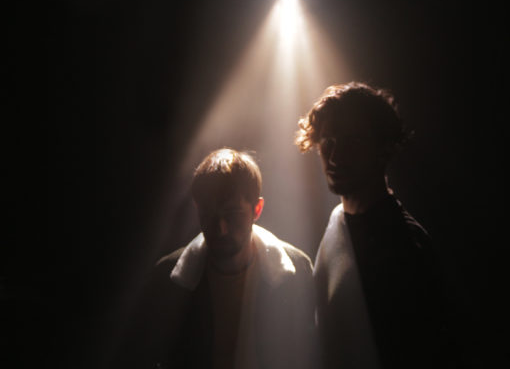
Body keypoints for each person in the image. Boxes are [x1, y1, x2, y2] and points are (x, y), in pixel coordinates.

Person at [296, 82, 459, 369]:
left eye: (352, 142)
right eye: (328, 142)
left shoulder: (406, 247)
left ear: (383, 149)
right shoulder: (338, 222)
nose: (335, 156)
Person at [116, 148, 316, 369]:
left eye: (233, 215)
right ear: (197, 209)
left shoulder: (298, 270)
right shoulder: (166, 278)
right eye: (209, 215)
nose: (221, 229)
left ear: (257, 209)